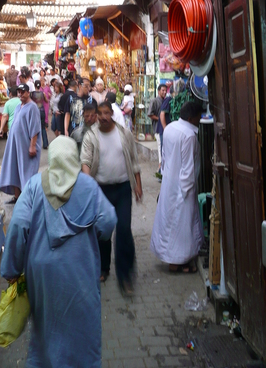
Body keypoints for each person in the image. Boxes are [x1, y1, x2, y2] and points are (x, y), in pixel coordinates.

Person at [1, 136, 117, 368]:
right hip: (80, 270)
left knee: (47, 326)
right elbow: (108, 223)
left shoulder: (34, 185)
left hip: (41, 273)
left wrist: (11, 268)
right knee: (82, 327)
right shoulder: (88, 186)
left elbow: (19, 225)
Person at [81, 101, 143, 295]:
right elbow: (86, 162)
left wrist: (138, 185)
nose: (103, 117)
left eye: (107, 113)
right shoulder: (91, 136)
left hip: (123, 188)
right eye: (100, 113)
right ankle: (103, 268)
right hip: (101, 190)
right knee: (102, 231)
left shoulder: (124, 134)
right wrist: (87, 185)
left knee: (123, 229)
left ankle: (125, 276)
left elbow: (133, 160)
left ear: (112, 114)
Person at [150, 101, 204, 273]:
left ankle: (177, 260)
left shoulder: (171, 128)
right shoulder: (189, 136)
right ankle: (178, 261)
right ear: (191, 118)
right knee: (181, 225)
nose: (200, 120)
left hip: (169, 182)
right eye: (198, 117)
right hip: (182, 187)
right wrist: (187, 192)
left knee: (169, 222)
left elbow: (165, 157)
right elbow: (188, 169)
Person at [0, 83, 42, 203]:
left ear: (28, 93)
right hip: (16, 145)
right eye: (19, 92)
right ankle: (17, 197)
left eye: (23, 92)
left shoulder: (32, 107)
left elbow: (35, 128)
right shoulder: (18, 107)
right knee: (15, 170)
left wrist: (32, 146)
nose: (20, 94)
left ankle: (27, 200)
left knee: (27, 173)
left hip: (26, 146)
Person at [148, 84, 168, 177]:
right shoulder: (154, 101)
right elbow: (150, 114)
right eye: (163, 90)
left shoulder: (165, 101)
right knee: (160, 147)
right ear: (158, 91)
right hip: (157, 128)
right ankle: (160, 167)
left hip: (162, 128)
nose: (164, 92)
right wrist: (160, 119)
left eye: (165, 90)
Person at [32, 82, 49, 150]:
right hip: (42, 111)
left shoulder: (31, 94)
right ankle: (45, 143)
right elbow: (46, 101)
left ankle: (34, 144)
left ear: (34, 85)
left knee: (34, 128)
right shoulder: (43, 93)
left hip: (35, 112)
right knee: (43, 128)